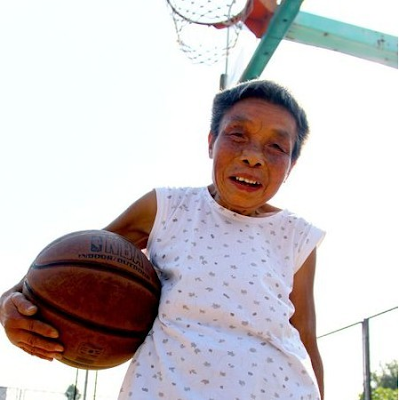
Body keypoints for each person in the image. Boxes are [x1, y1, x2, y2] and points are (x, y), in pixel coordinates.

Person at [0, 79, 325, 399]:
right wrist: (11, 302)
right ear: (211, 141)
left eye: (276, 146)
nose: (253, 156)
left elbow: (305, 337)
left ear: (291, 165)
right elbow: (77, 265)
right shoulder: (166, 208)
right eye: (238, 135)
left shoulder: (297, 236)